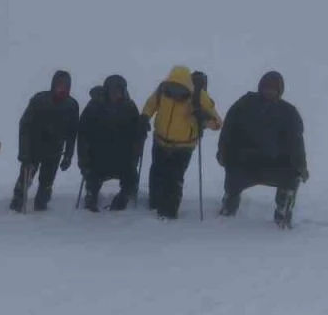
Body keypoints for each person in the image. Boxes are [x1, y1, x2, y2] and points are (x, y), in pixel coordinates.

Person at [217, 71, 309, 228]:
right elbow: (228, 131)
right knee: (233, 174)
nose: (269, 91)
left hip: (275, 165)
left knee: (292, 176)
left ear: (280, 91)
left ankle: (283, 213)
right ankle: (229, 205)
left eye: (274, 89)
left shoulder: (289, 113)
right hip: (244, 162)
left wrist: (301, 166)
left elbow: (296, 144)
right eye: (266, 87)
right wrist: (223, 153)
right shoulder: (244, 104)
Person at [140, 66, 222, 219]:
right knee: (157, 173)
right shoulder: (162, 90)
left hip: (184, 147)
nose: (175, 94)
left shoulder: (200, 97)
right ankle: (155, 204)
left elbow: (217, 124)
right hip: (160, 141)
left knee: (175, 178)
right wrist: (144, 117)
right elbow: (151, 104)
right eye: (172, 88)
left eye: (179, 90)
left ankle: (169, 212)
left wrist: (204, 116)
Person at [11, 70, 80, 212]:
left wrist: (68, 154)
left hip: (54, 152)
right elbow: (25, 126)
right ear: (53, 84)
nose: (61, 88)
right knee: (24, 180)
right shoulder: (39, 100)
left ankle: (41, 208)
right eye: (59, 84)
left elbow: (72, 133)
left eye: (65, 85)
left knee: (47, 183)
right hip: (33, 149)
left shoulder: (72, 105)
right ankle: (16, 205)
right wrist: (24, 151)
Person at [76, 75, 144, 212]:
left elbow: (137, 134)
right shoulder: (95, 105)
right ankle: (91, 194)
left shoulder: (129, 107)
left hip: (122, 156)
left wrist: (142, 130)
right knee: (92, 176)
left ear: (123, 90)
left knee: (131, 179)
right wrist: (84, 159)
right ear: (106, 90)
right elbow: (83, 133)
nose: (115, 93)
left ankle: (124, 196)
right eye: (112, 90)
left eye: (118, 90)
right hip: (99, 155)